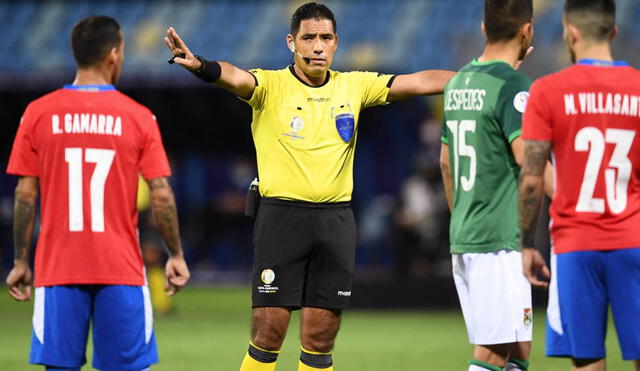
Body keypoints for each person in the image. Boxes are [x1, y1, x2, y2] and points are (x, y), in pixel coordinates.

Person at [165, 2, 453, 370]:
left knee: (320, 338)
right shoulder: (270, 86)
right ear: (291, 42)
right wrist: (202, 66)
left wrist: (475, 76)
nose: (318, 46)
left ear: (336, 42)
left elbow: (419, 81)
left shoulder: (355, 85)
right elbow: (235, 77)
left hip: (335, 222)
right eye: (309, 38)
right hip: (281, 219)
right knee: (268, 334)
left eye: (325, 38)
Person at [5, 15, 190, 371]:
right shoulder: (138, 117)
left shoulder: (37, 114)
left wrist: (19, 261)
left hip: (57, 268)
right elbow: (162, 194)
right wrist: (176, 254)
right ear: (114, 55)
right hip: (119, 267)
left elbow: (25, 196)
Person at [520, 0, 640, 370]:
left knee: (587, 359)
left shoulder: (548, 90)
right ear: (613, 31)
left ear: (570, 31)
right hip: (633, 240)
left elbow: (532, 179)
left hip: (575, 246)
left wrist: (526, 243)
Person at [439, 1, 552, 370]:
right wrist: (577, 202)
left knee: (518, 348)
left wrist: (465, 217)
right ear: (528, 31)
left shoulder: (458, 82)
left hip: (467, 232)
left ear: (484, 29)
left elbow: (445, 162)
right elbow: (529, 159)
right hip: (498, 241)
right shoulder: (514, 85)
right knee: (492, 352)